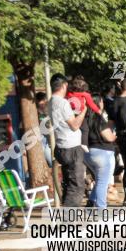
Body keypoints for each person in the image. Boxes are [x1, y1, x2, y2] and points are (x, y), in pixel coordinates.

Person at [49, 74, 87, 207]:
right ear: (64, 85)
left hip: (61, 147)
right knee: (76, 186)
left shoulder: (51, 102)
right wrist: (83, 111)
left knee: (68, 184)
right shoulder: (62, 103)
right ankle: (68, 221)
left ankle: (66, 220)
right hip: (71, 148)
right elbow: (74, 125)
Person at [83, 94, 118, 208]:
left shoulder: (85, 117)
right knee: (103, 182)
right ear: (98, 103)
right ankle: (101, 210)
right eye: (102, 102)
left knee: (99, 180)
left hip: (88, 153)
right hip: (102, 153)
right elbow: (109, 137)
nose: (103, 104)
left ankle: (91, 202)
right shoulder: (98, 118)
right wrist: (115, 135)